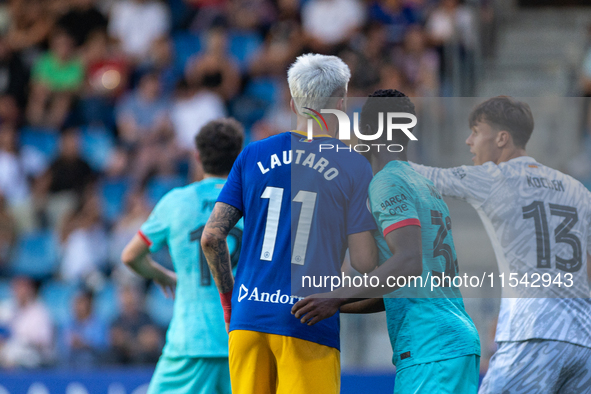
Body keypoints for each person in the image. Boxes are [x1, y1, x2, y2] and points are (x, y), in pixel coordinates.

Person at [201, 53, 378, 394]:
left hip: (248, 320)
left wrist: (229, 303)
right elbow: (364, 262)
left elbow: (211, 237)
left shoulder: (252, 154)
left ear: (293, 101)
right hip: (307, 321)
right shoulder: (353, 165)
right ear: (341, 101)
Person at [292, 89, 481, 393]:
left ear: (368, 130)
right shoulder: (424, 184)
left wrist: (336, 296)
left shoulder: (386, 182)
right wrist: (334, 305)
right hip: (450, 343)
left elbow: (407, 261)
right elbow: (404, 286)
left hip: (430, 348)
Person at [409, 96, 591, 393]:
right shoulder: (577, 189)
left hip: (532, 336)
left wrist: (367, 156)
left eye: (477, 132)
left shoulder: (494, 177)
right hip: (583, 343)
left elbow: (425, 177)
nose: (469, 141)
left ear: (502, 138)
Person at [121, 118, 244, 393]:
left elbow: (130, 256)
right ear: (239, 156)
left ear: (197, 157)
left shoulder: (175, 202)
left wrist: (161, 275)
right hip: (242, 336)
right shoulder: (254, 200)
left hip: (192, 339)